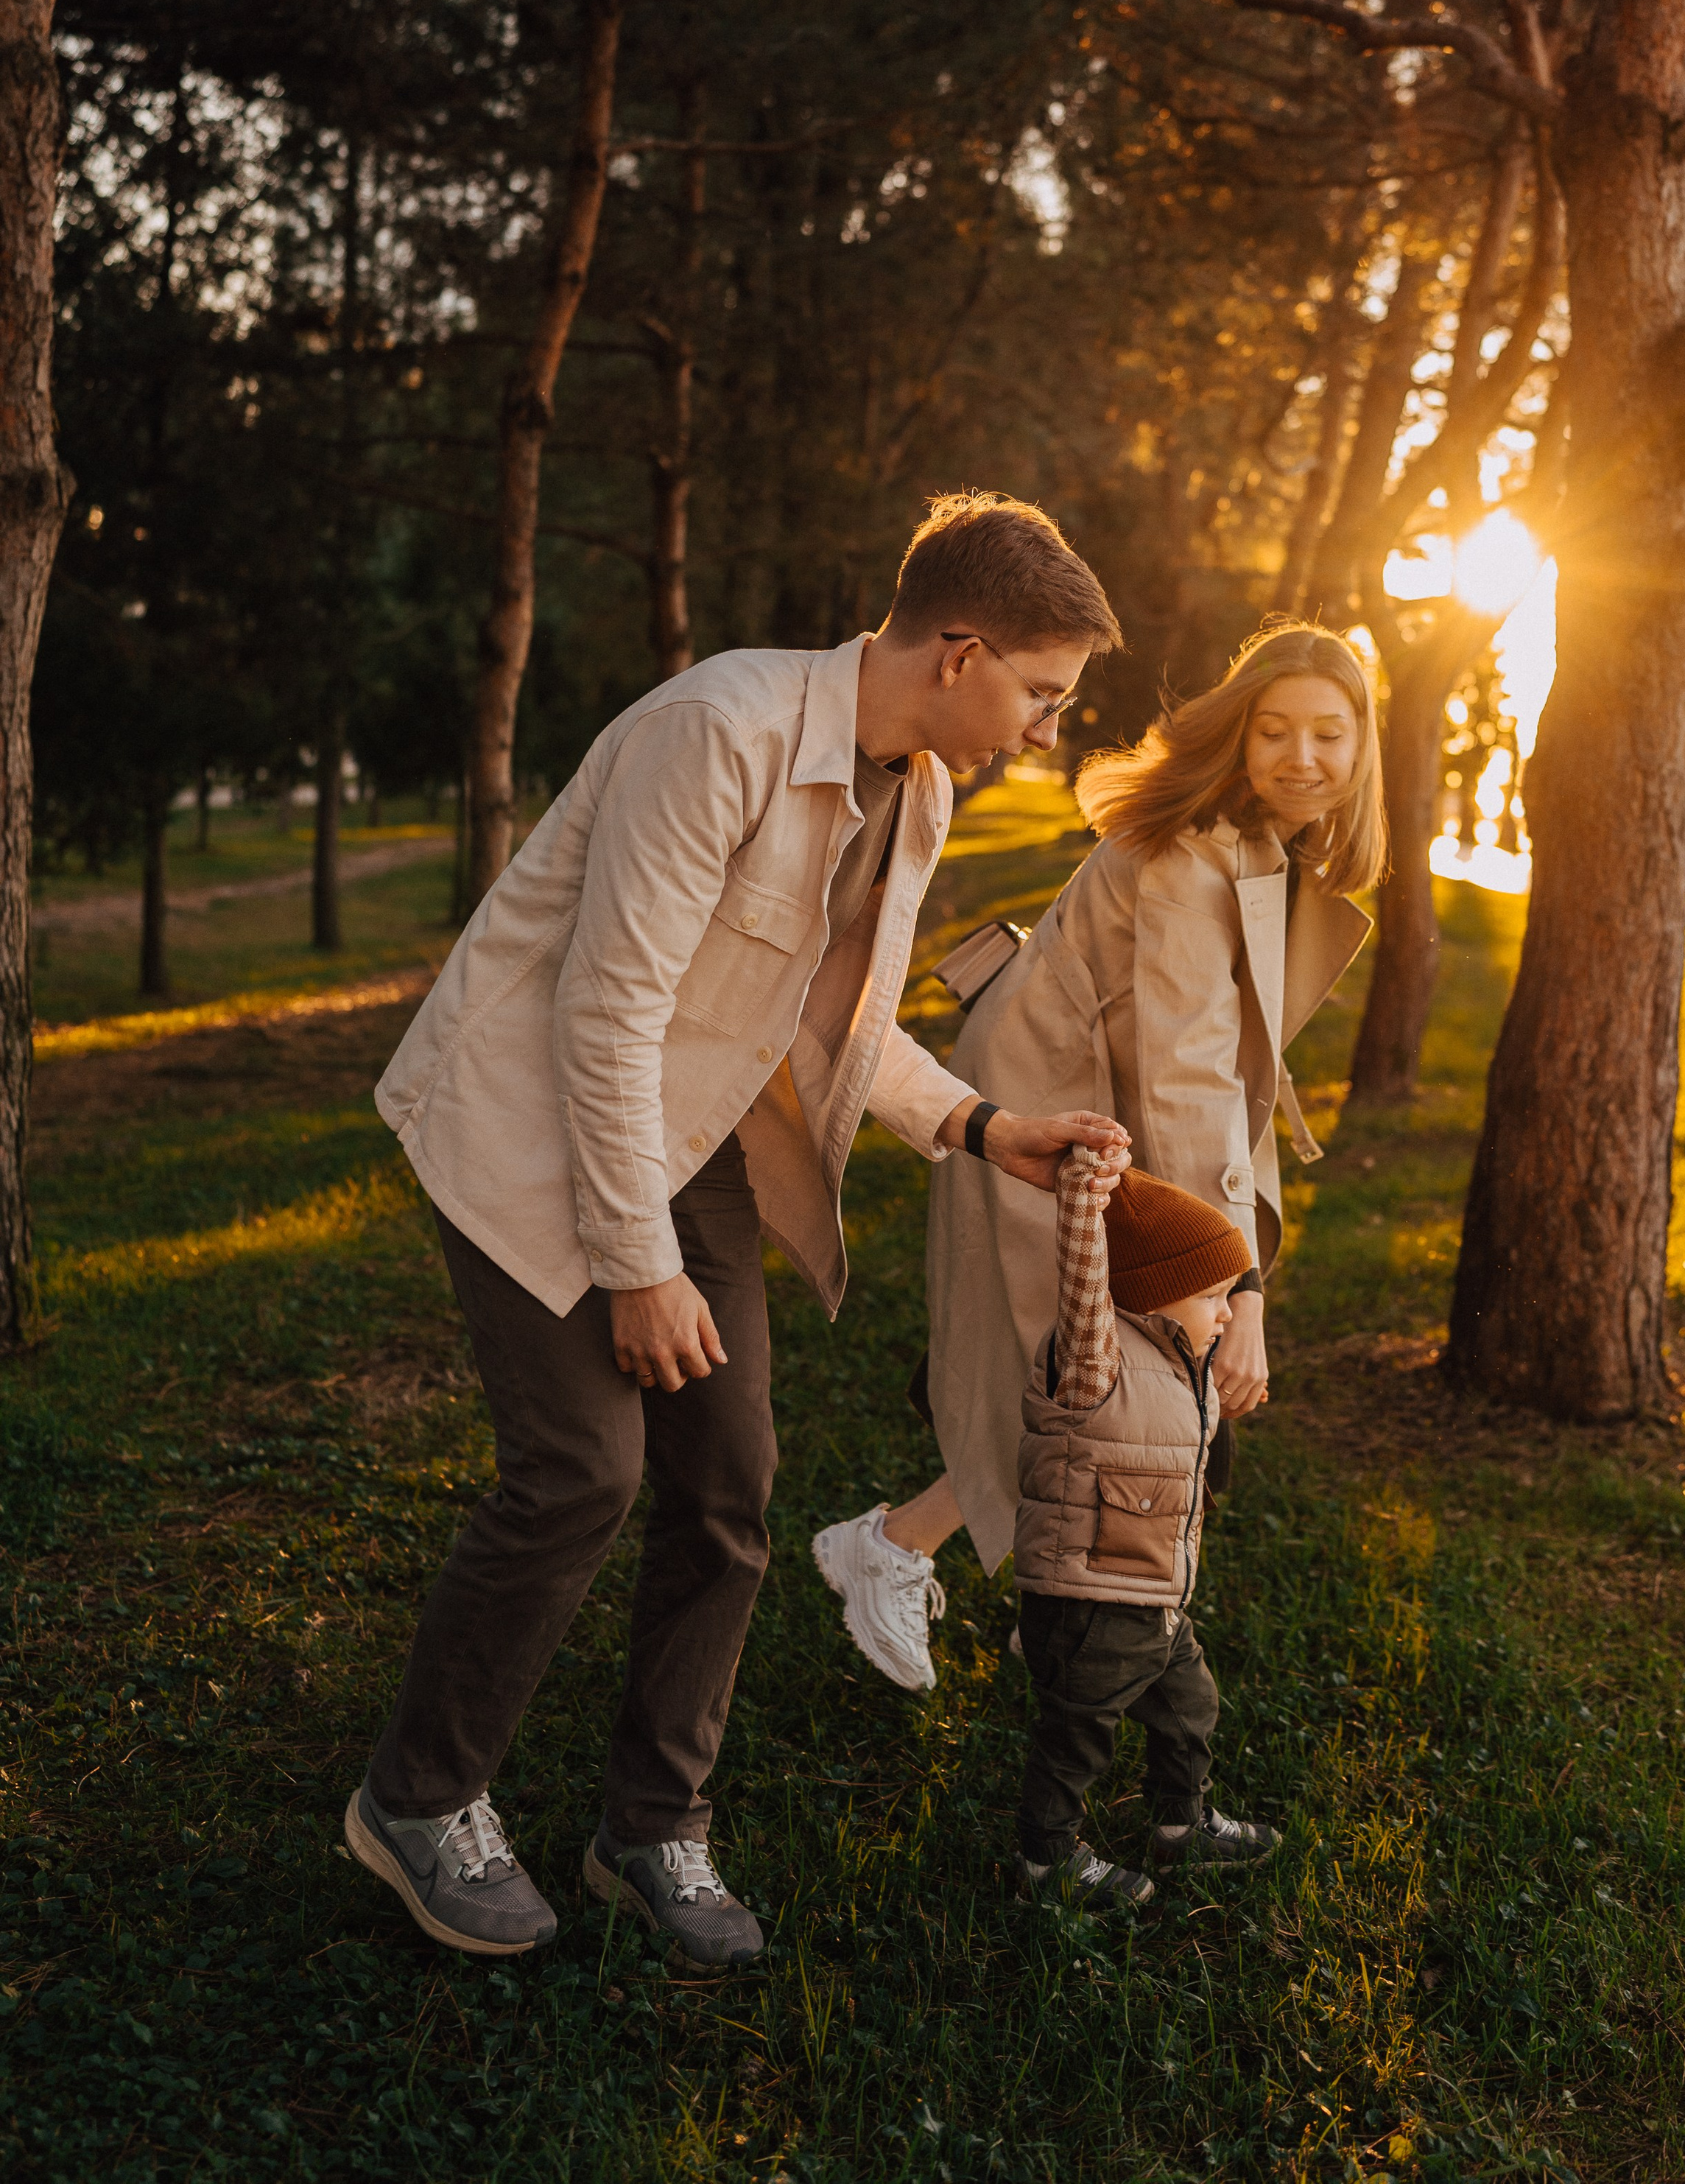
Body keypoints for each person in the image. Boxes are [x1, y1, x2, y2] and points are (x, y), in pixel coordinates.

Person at [345, 492, 1130, 1968]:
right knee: (581, 1469)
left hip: (683, 1130)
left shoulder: (919, 786)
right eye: (1038, 693)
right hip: (527, 1122)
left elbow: (837, 1024)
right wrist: (636, 1266)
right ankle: (417, 1798)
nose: (1039, 729)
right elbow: (605, 1009)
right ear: (960, 651)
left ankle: (651, 1826)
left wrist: (981, 1126)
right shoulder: (719, 729)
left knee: (727, 1484)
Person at [814, 622, 1384, 1691]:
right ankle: (914, 1554)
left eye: (1330, 735)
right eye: (1276, 731)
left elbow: (1212, 1060)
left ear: (1365, 751)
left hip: (1093, 1096)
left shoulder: (1256, 841)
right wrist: (1238, 1284)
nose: (1303, 757)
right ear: (1239, 737)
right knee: (1071, 1369)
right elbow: (1186, 1080)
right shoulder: (1193, 856)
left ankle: (1035, 1588)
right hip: (1051, 1107)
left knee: (1091, 1370)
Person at [1013, 1150, 1280, 1906]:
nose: (1228, 1314)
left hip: (1156, 1601)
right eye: (1212, 1299)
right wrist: (1082, 1200)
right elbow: (1082, 1278)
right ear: (1155, 1298)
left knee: (1191, 1709)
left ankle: (1180, 1826)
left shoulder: (1182, 1364)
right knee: (1075, 1741)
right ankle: (1046, 1860)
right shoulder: (1096, 1360)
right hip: (1088, 1605)